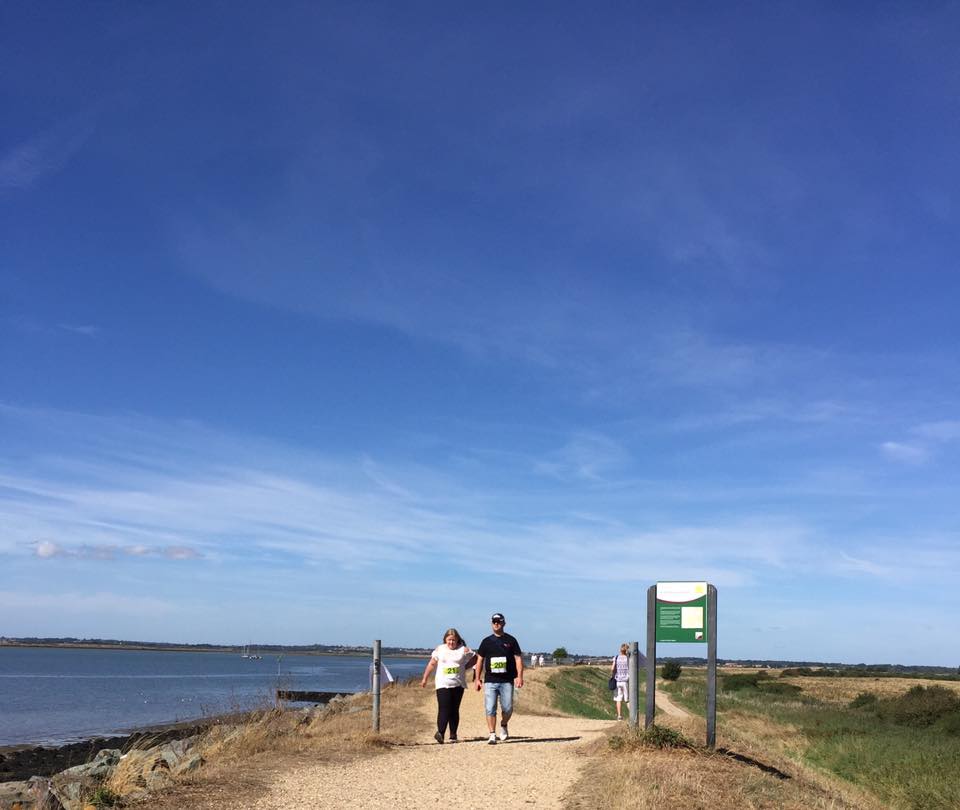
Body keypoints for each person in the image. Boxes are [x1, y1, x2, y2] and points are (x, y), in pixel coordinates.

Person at [474, 612, 523, 744]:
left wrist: (519, 676)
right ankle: (492, 734)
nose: (496, 624)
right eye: (494, 622)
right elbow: (480, 660)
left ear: (504, 623)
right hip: (490, 680)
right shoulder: (486, 641)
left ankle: (504, 724)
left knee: (508, 708)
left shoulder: (511, 640)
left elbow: (518, 659)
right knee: (490, 708)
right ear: (491, 624)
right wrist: (477, 679)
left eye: (499, 622)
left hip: (507, 680)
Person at [421, 628, 475, 743]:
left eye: (453, 640)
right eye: (449, 640)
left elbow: (475, 658)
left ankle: (453, 735)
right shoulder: (440, 649)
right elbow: (432, 664)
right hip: (442, 684)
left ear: (457, 640)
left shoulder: (463, 649)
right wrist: (425, 678)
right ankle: (440, 733)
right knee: (444, 708)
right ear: (445, 639)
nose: (451, 642)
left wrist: (465, 667)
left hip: (458, 684)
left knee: (454, 709)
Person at [610, 642, 630, 720]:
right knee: (627, 700)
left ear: (620, 649)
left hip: (618, 681)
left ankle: (619, 716)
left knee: (618, 699)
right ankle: (633, 716)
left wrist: (613, 675)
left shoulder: (616, 657)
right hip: (625, 681)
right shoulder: (628, 658)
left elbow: (612, 669)